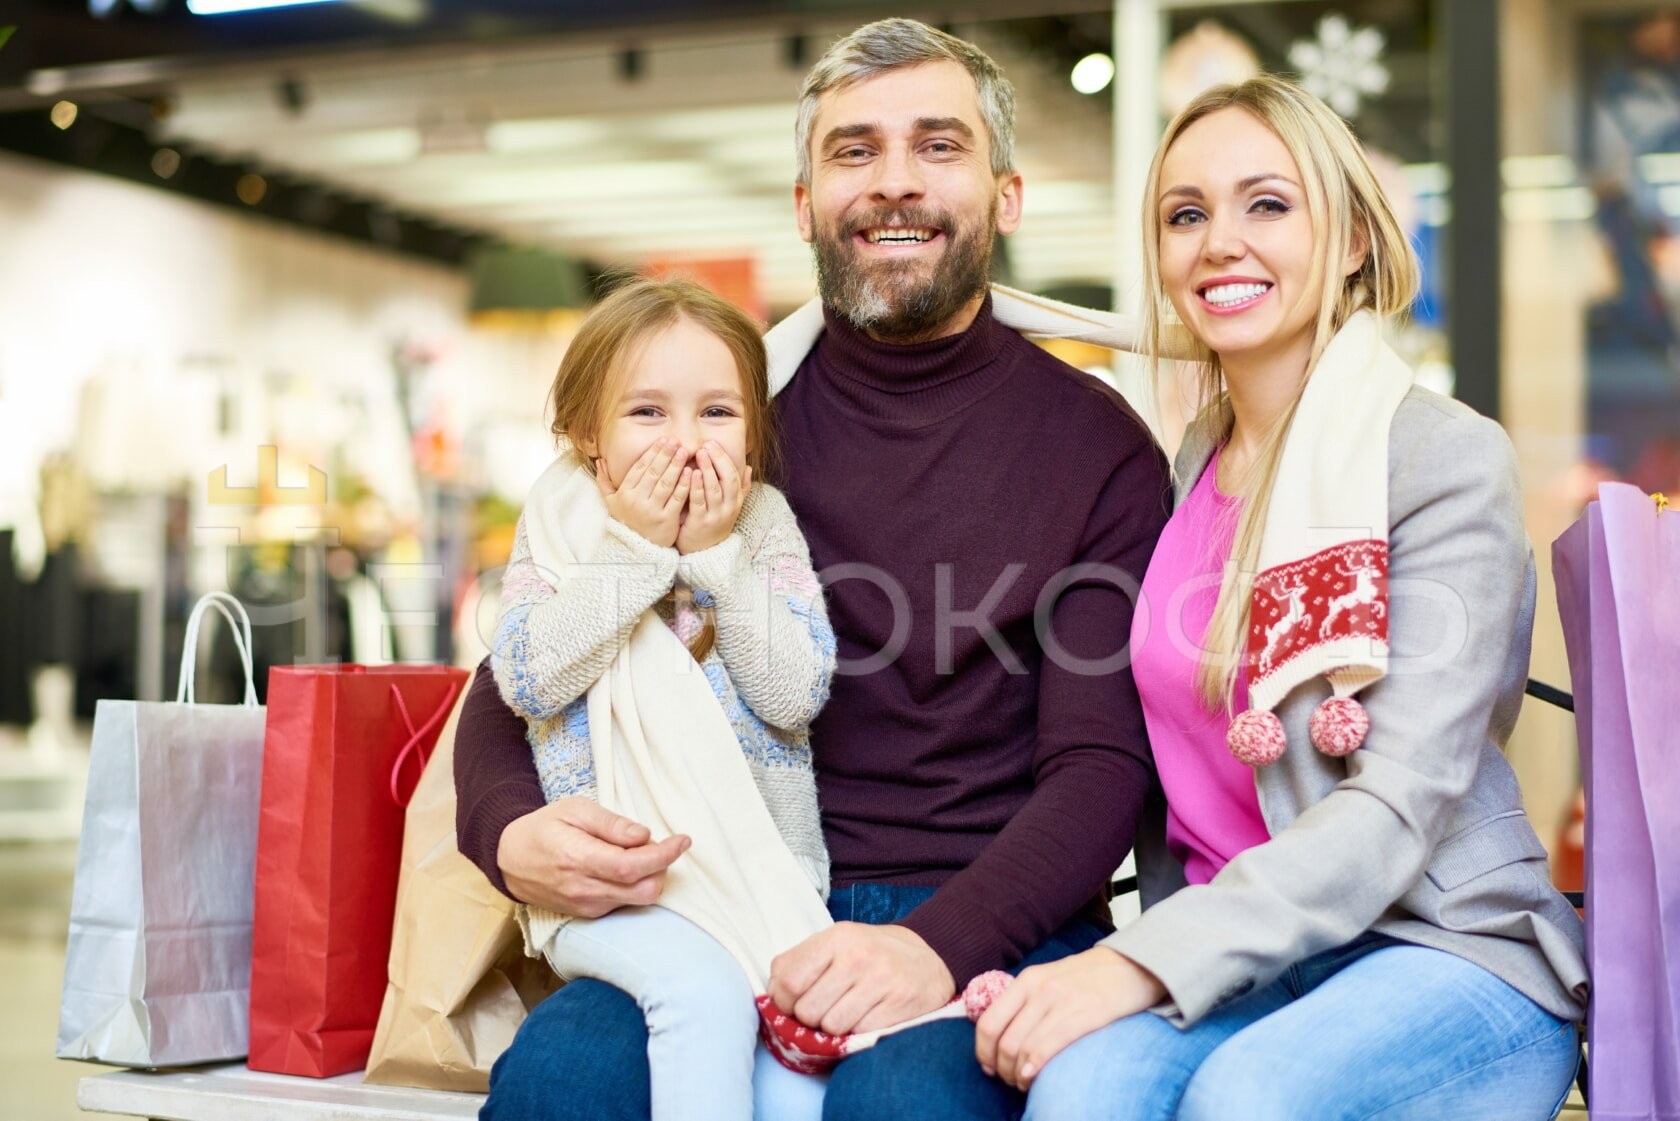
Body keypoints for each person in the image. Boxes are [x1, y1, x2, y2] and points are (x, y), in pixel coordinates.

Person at [453, 18, 1171, 1121]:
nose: (894, 184)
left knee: (901, 1108)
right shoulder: (719, 422)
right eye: (853, 151)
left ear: (1006, 195)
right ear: (804, 205)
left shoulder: (1098, 448)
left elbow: (1100, 772)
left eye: (938, 146)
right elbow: (520, 675)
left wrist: (933, 945)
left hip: (983, 911)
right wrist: (509, 831)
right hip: (713, 891)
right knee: (558, 1083)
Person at [973, 74, 1589, 1120]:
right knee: (1077, 1092)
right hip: (1245, 957)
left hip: (1447, 948)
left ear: (1351, 237)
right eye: (1186, 214)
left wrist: (1134, 966)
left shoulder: (1441, 458)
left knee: (1247, 1097)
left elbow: (1395, 803)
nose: (1221, 242)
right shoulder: (1189, 466)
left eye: (1268, 203)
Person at [490, 276, 836, 1121]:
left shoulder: (764, 523)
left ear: (754, 429)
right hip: (611, 894)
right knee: (701, 997)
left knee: (798, 1085)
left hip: (764, 882)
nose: (685, 442)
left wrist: (720, 558)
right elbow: (529, 676)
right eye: (648, 412)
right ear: (586, 438)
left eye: (716, 412)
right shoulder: (561, 527)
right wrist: (636, 551)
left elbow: (797, 692)